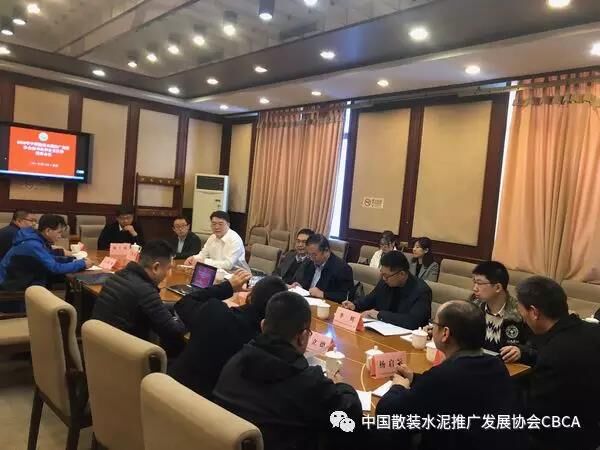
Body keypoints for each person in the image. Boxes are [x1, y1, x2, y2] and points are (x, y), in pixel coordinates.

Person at [213, 291, 363, 450]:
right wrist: (342, 385)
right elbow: (349, 418)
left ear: (263, 326)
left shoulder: (236, 360)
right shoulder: (308, 382)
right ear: (303, 337)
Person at [376, 300, 525, 450]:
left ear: (445, 333)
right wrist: (413, 378)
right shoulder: (496, 365)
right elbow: (457, 389)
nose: (432, 327)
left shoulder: (443, 376)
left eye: (434, 323)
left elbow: (388, 415)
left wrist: (398, 387)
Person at [515, 276, 600, 450]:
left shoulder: (553, 354)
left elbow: (539, 418)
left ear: (534, 312)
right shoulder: (594, 331)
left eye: (521, 310)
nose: (522, 317)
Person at [170, 275, 288, 397]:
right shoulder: (266, 348)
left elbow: (183, 303)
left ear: (249, 296)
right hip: (212, 405)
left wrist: (228, 287)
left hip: (169, 390)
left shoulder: (214, 311)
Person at [91, 240, 185, 356]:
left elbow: (152, 306)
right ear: (156, 267)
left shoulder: (120, 275)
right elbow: (174, 331)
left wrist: (181, 304)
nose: (169, 274)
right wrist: (192, 314)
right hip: (124, 355)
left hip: (99, 347)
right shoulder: (145, 290)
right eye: (168, 268)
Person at [0, 214, 92, 294]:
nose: (60, 236)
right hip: (10, 287)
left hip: (19, 280)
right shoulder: (33, 244)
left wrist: (72, 260)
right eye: (59, 232)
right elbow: (55, 268)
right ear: (48, 231)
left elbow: (49, 258)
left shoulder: (36, 238)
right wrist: (82, 263)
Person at [342, 251, 431, 329]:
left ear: (402, 274)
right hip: (381, 331)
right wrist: (355, 305)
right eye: (382, 274)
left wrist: (379, 315)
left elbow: (413, 322)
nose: (384, 279)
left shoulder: (421, 291)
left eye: (386, 276)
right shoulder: (385, 282)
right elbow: (370, 299)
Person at [470, 261, 530, 360]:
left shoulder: (521, 313)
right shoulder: (473, 307)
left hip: (507, 365)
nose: (475, 288)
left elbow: (535, 347)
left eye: (479, 283)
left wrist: (521, 351)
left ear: (498, 287)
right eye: (474, 282)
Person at [291, 234, 354, 302]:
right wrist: (301, 287)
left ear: (326, 251)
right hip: (308, 301)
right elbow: (308, 285)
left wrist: (323, 294)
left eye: (314, 255)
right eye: (309, 254)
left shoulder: (342, 268)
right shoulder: (310, 262)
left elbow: (347, 296)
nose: (311, 258)